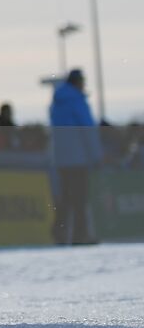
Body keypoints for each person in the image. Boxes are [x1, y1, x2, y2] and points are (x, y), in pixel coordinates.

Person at [50, 68, 103, 244]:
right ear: (77, 82)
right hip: (79, 158)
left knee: (65, 197)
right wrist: (96, 156)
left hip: (62, 159)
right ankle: (80, 235)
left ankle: (60, 232)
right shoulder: (77, 101)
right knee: (80, 198)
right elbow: (88, 130)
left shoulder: (57, 103)